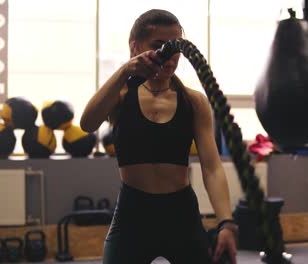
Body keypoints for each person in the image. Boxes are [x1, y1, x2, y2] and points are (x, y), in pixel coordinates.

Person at [80, 9, 237, 264]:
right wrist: (125, 71)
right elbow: (87, 123)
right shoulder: (120, 97)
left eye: (174, 48)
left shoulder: (193, 101)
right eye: (158, 46)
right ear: (135, 47)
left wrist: (226, 222)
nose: (168, 55)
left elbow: (212, 167)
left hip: (181, 214)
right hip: (133, 214)